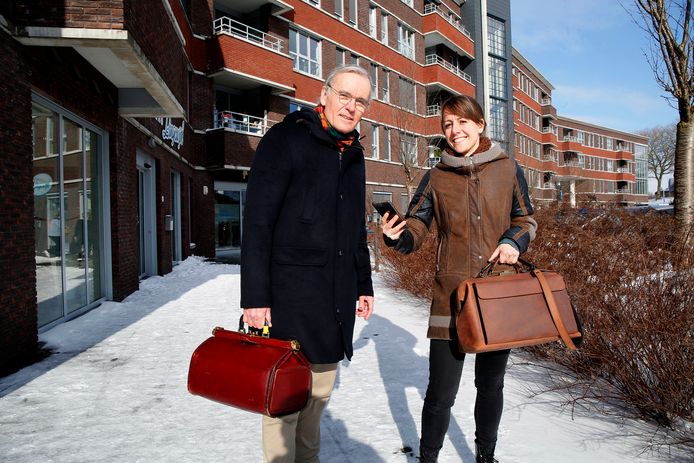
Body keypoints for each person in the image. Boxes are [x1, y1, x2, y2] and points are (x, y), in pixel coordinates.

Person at [381, 95, 537, 463]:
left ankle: (485, 457)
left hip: (496, 291)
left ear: (480, 124)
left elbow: (526, 219)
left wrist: (512, 241)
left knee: (490, 385)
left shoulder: (508, 168)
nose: (455, 130)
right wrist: (397, 235)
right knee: (440, 391)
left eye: (462, 122)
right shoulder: (436, 177)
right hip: (451, 294)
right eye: (448, 125)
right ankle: (428, 458)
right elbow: (417, 225)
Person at [240, 64, 375, 463]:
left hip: (333, 302)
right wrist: (255, 298)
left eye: (361, 101)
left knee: (317, 401)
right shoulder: (285, 139)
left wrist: (363, 284)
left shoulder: (353, 154)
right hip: (287, 300)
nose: (351, 107)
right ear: (324, 94)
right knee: (283, 405)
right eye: (345, 95)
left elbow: (355, 230)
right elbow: (258, 223)